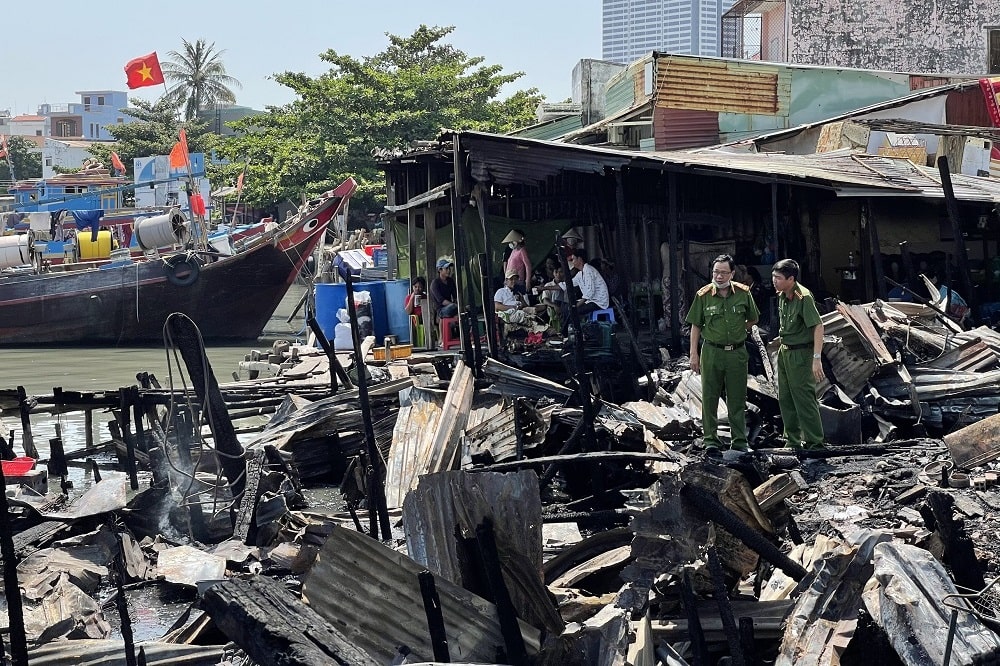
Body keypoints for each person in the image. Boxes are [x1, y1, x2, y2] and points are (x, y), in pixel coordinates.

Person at [686, 254, 760, 454]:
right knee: (710, 397)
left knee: (737, 398)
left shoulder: (744, 294)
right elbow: (695, 325)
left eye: (723, 272)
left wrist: (739, 331)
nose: (719, 276)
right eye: (715, 272)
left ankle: (739, 441)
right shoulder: (703, 295)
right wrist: (694, 353)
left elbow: (753, 318)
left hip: (736, 353)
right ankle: (711, 440)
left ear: (732, 274)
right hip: (711, 351)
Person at [772, 258, 826, 451]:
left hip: (801, 353)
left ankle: (814, 442)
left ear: (791, 279)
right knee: (785, 398)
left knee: (804, 398)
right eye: (774, 276)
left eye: (778, 277)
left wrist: (816, 358)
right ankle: (792, 440)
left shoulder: (804, 297)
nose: (774, 281)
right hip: (785, 351)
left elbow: (818, 326)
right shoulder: (781, 296)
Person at [565, 248, 609, 319]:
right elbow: (568, 284)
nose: (572, 262)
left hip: (598, 302)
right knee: (566, 307)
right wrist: (545, 288)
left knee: (574, 310)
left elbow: (590, 293)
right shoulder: (581, 273)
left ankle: (575, 329)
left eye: (573, 259)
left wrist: (576, 305)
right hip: (591, 300)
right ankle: (569, 328)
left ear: (579, 259)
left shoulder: (589, 270)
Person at [502, 229, 532, 294]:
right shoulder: (514, 250)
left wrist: (527, 281)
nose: (511, 243)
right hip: (509, 281)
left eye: (513, 241)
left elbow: (528, 266)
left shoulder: (522, 250)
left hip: (517, 281)